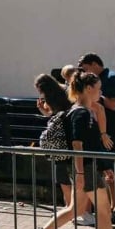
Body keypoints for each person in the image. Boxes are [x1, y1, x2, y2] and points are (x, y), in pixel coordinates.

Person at [26, 73, 115, 229]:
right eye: (98, 88)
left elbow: (89, 144)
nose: (101, 92)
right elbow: (77, 145)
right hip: (85, 169)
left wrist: (102, 166)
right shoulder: (81, 113)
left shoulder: (82, 111)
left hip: (85, 168)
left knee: (75, 209)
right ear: (88, 89)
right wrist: (80, 174)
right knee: (104, 211)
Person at [80, 53, 115, 217]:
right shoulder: (101, 79)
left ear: (93, 64)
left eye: (84, 68)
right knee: (110, 169)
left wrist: (95, 94)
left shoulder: (111, 78)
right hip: (108, 131)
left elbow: (112, 105)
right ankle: (113, 207)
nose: (83, 72)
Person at [34, 73, 80, 218]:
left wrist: (44, 111)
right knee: (72, 175)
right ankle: (73, 208)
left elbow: (54, 115)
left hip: (58, 142)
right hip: (69, 137)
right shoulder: (65, 92)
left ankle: (69, 207)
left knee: (62, 176)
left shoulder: (51, 97)